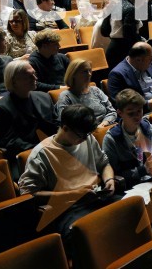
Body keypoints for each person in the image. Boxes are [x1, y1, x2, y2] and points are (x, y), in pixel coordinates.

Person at [18, 105, 117, 247]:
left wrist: (109, 179)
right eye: (80, 136)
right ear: (65, 128)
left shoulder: (87, 138)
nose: (84, 140)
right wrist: (74, 194)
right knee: (94, 233)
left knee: (129, 212)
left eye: (87, 135)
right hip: (68, 209)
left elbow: (104, 164)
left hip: (96, 198)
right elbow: (28, 194)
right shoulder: (41, 154)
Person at [0, 60, 58, 166]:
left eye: (34, 74)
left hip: (50, 150)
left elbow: (56, 124)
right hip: (22, 158)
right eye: (28, 76)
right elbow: (9, 141)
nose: (35, 78)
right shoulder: (0, 108)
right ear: (14, 81)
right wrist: (41, 149)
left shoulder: (44, 97)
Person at [102, 89, 152, 187]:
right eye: (131, 113)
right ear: (120, 113)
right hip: (132, 186)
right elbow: (115, 176)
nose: (137, 116)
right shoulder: (112, 139)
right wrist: (143, 169)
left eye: (139, 111)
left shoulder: (149, 129)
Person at [56, 59, 117, 126]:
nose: (89, 74)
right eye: (85, 71)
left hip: (105, 126)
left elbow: (112, 111)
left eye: (90, 70)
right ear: (73, 74)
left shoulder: (96, 90)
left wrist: (104, 123)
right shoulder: (65, 96)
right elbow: (66, 123)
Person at [107, 42, 152, 112]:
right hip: (141, 113)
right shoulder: (117, 74)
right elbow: (120, 104)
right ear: (138, 60)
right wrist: (147, 105)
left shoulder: (150, 65)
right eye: (150, 58)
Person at [106, 0, 147, 68]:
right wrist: (142, 43)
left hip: (112, 48)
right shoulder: (131, 9)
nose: (144, 3)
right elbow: (129, 34)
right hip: (123, 51)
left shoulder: (117, 5)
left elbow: (104, 29)